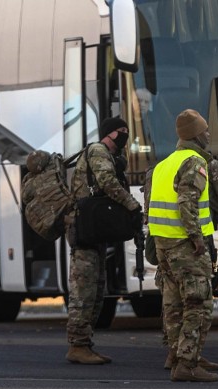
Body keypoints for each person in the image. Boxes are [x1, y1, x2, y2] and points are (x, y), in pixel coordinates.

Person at [147, 109, 218, 382]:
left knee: (174, 305)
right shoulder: (193, 162)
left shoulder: (164, 164)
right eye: (205, 131)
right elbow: (187, 202)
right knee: (198, 305)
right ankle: (187, 364)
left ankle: (176, 356)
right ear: (196, 135)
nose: (209, 135)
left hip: (164, 245)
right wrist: (197, 238)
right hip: (186, 246)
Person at [65, 117, 142, 365]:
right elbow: (107, 182)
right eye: (121, 131)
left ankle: (85, 344)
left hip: (93, 229)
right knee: (84, 289)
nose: (125, 134)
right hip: (85, 228)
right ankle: (77, 345)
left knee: (97, 288)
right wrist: (131, 205)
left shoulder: (112, 155)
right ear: (109, 133)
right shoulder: (98, 151)